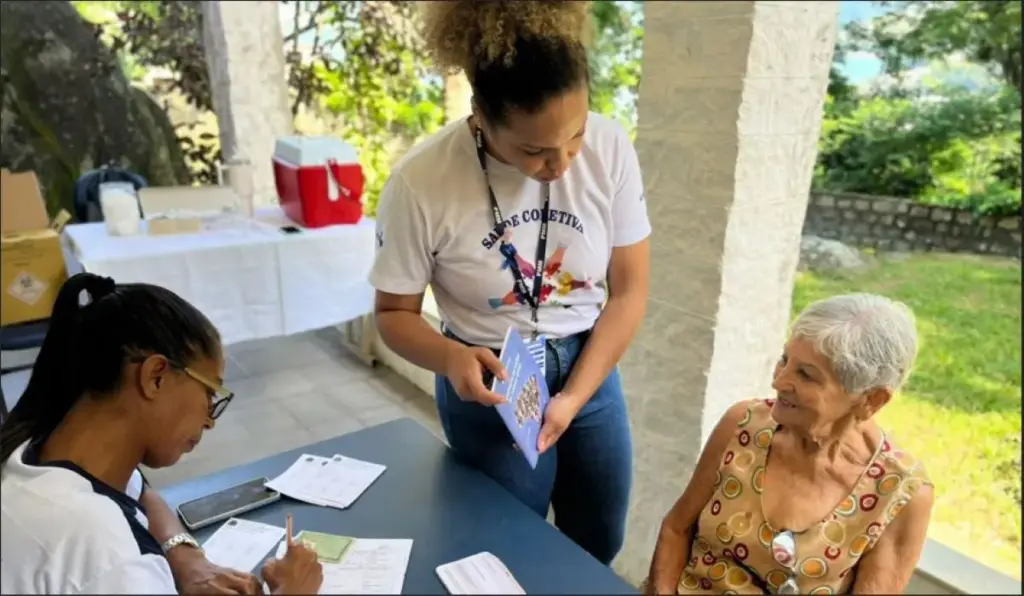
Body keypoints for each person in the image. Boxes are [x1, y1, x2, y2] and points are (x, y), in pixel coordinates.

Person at [369, 1, 650, 565]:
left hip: (589, 365)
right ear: (480, 115)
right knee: (505, 549)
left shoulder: (611, 147)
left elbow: (630, 290)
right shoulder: (422, 182)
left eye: (574, 135)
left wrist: (574, 395)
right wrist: (451, 358)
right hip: (490, 377)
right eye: (532, 150)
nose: (563, 162)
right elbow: (393, 315)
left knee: (597, 540)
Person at [0, 273, 323, 595]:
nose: (210, 421)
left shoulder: (39, 448)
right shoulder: (111, 556)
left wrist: (185, 558)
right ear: (156, 376)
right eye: (210, 393)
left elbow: (141, 493)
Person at [645, 294, 934, 595]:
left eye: (806, 375)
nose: (779, 381)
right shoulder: (743, 424)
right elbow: (676, 529)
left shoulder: (898, 494)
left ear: (871, 399)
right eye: (785, 359)